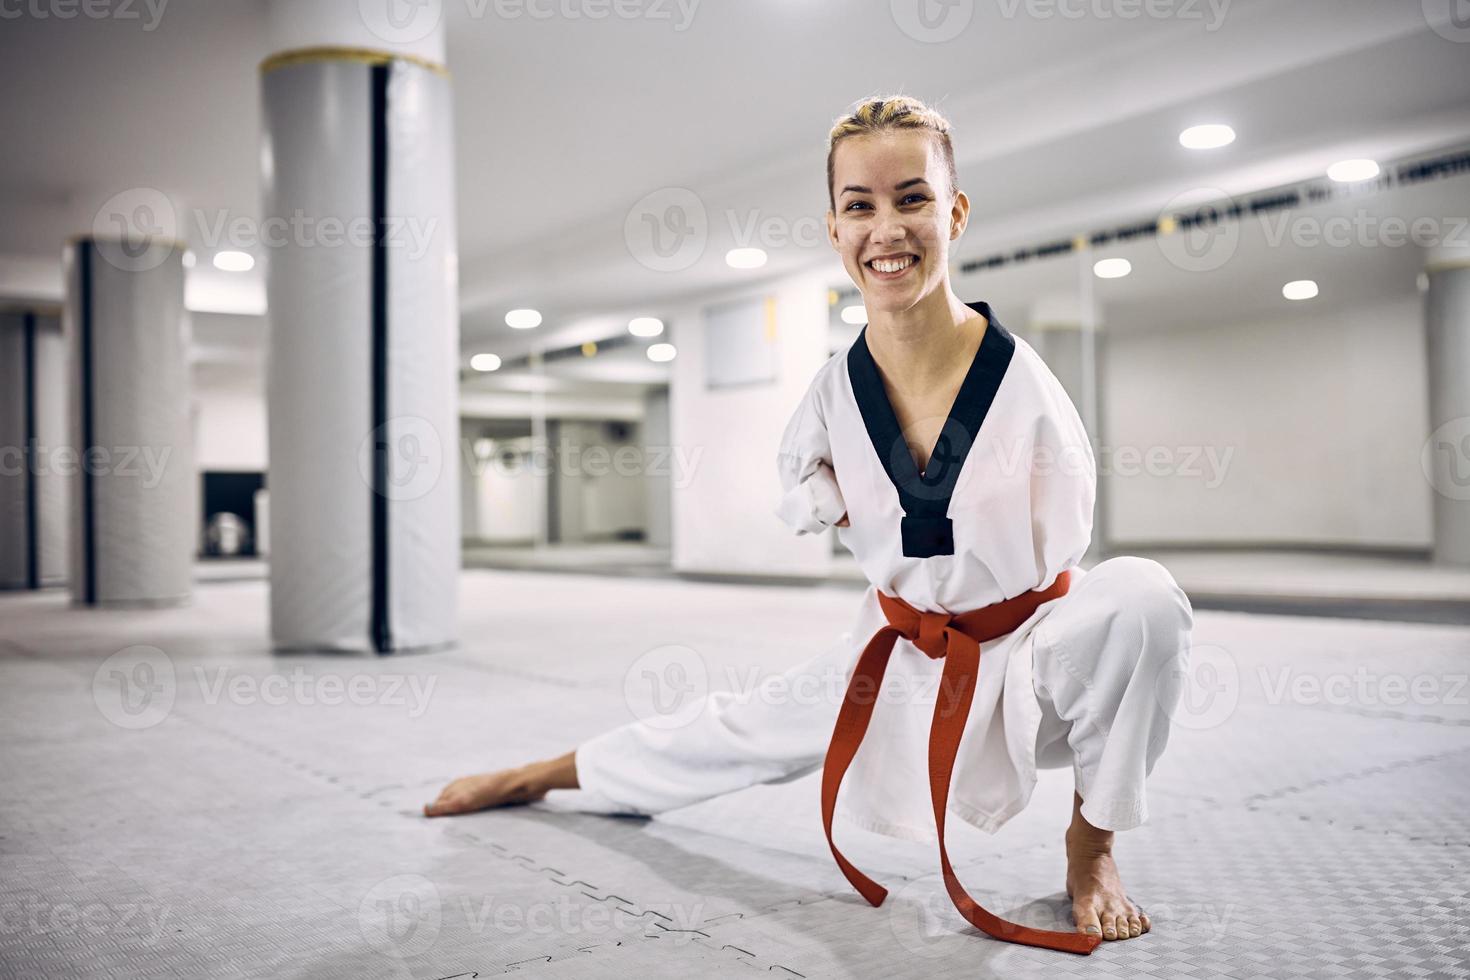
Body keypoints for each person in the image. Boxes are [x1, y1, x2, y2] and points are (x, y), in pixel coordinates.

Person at [425, 95, 1194, 952]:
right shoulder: (834, 390)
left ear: (956, 212)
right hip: (901, 650)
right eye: (859, 206)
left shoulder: (1022, 382)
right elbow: (813, 493)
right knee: (728, 730)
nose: (886, 229)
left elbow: (1066, 542)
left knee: (1143, 596)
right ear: (834, 228)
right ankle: (536, 775)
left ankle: (1091, 847)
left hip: (1032, 663)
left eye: (912, 198)